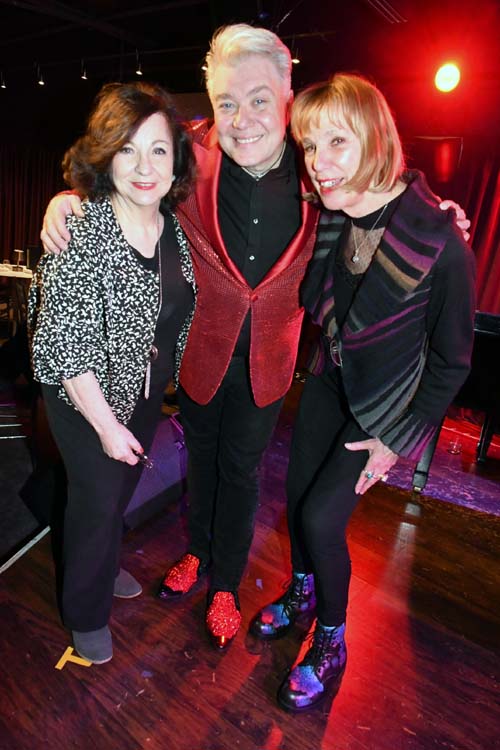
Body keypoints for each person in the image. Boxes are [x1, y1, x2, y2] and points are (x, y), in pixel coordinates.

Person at [39, 25, 470, 652]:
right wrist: (67, 198)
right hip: (201, 353)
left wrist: (440, 210)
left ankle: (226, 584)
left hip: (270, 358)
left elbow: (387, 184)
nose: (242, 120)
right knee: (201, 462)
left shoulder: (319, 165)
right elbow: (131, 168)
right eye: (227, 103)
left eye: (260, 99)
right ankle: (196, 553)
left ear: (289, 93)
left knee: (243, 474)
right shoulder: (191, 156)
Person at [249, 74, 476, 712]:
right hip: (329, 381)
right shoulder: (334, 213)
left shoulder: (438, 240)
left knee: (323, 517)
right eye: (310, 146)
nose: (319, 164)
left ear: (377, 138)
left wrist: (397, 441)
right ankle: (301, 590)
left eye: (337, 143)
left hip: (382, 409)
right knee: (296, 501)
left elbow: (454, 361)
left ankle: (332, 638)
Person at [28, 82, 197, 664]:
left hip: (142, 391)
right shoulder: (83, 229)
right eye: (127, 149)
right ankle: (85, 610)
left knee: (121, 490)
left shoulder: (176, 232)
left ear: (177, 160)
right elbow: (67, 345)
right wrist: (103, 424)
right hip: (82, 397)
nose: (143, 166)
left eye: (157, 150)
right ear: (106, 155)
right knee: (97, 499)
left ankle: (102, 561)